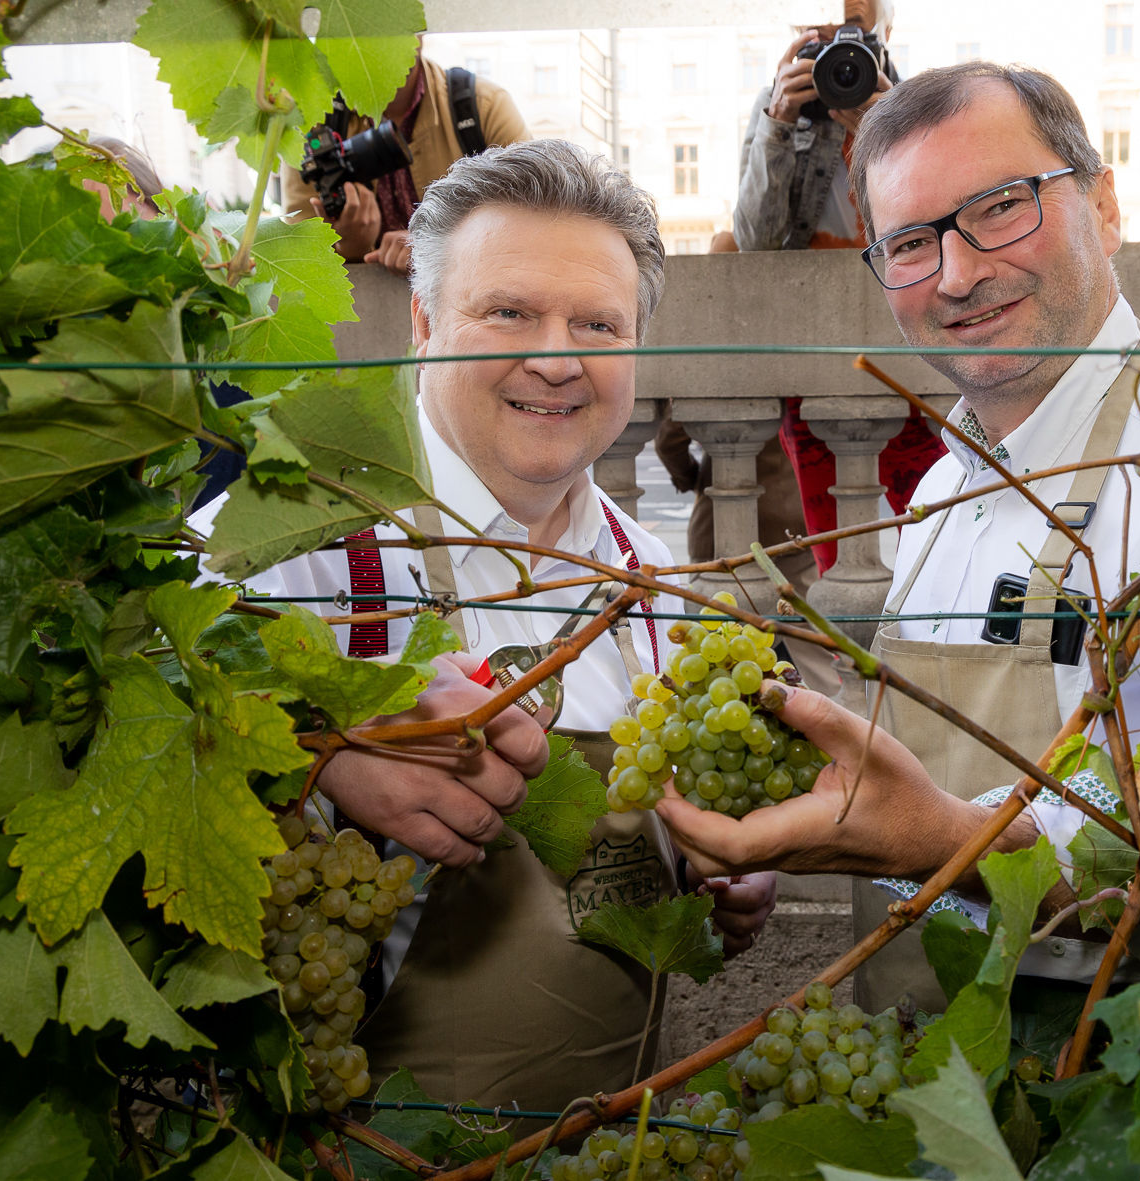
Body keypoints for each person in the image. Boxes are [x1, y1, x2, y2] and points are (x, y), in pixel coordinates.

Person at [659, 62, 1140, 1010]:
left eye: (1001, 207)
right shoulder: (944, 486)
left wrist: (941, 840)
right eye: (908, 242)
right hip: (935, 1066)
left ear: (1104, 207)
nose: (959, 272)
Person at [197, 141, 775, 1110]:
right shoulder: (293, 524)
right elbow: (118, 704)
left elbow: (649, 863)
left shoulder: (656, 581)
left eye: (597, 322)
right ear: (424, 320)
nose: (555, 357)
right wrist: (313, 738)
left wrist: (711, 889)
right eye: (507, 311)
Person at [733, 0, 946, 575]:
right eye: (824, 23)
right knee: (835, 550)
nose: (838, 43)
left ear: (884, 28)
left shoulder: (922, 106)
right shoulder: (777, 107)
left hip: (912, 353)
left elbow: (939, 229)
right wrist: (778, 119)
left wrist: (886, 131)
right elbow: (754, 241)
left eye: (855, 26)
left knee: (942, 529)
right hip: (817, 350)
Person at [282, 49, 529, 273]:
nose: (381, 33)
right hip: (367, 317)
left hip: (466, 313)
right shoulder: (312, 121)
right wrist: (351, 248)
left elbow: (532, 225)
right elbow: (300, 261)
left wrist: (437, 250)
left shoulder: (484, 107)